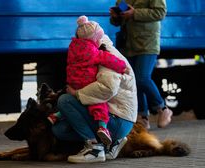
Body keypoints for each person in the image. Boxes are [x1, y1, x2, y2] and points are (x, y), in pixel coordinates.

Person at [51, 28, 138, 163]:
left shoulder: (107, 56)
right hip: (115, 116)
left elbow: (108, 88)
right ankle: (111, 142)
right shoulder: (98, 50)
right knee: (60, 130)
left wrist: (77, 93)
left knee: (65, 100)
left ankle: (95, 149)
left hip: (118, 118)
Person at [48, 15, 128, 146]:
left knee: (72, 101)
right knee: (98, 104)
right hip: (86, 83)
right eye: (98, 38)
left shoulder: (73, 48)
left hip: (73, 82)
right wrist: (123, 67)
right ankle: (103, 128)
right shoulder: (93, 52)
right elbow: (109, 59)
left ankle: (56, 115)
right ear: (94, 39)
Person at [109, 0, 173, 129]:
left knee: (142, 78)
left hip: (147, 43)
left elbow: (160, 12)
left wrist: (135, 13)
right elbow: (119, 20)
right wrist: (116, 17)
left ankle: (163, 108)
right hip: (127, 44)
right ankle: (142, 117)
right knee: (133, 81)